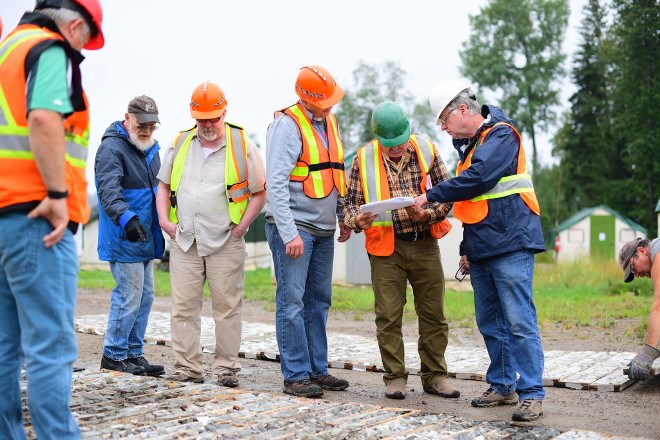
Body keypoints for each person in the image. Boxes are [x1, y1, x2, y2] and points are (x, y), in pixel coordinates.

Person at [413, 80, 546, 422]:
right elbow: (475, 205)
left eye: (443, 119)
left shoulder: (501, 135)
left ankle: (532, 394)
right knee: (490, 322)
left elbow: (481, 179)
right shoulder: (471, 147)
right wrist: (465, 247)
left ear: (461, 110)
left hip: (511, 242)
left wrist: (433, 194)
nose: (441, 127)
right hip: (483, 246)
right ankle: (503, 385)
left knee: (518, 320)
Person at [0, 0, 104, 438]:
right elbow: (43, 118)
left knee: (6, 347)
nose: (81, 48)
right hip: (39, 217)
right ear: (75, 25)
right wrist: (58, 195)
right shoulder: (50, 50)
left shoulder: (8, 50)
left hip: (6, 217)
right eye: (85, 39)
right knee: (51, 346)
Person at [343, 101, 459, 400]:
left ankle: (435, 376)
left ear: (407, 131)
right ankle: (395, 378)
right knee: (388, 316)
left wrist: (430, 214)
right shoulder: (361, 159)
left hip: (424, 244)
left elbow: (449, 193)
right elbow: (349, 207)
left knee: (433, 315)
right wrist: (357, 220)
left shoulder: (427, 150)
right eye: (389, 145)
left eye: (399, 143)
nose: (395, 149)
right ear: (377, 136)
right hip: (385, 250)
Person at [156, 81, 266, 387]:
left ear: (224, 112)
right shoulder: (180, 142)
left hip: (225, 240)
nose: (206, 125)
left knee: (227, 308)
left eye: (212, 119)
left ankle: (226, 369)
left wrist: (242, 226)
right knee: (183, 308)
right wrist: (165, 221)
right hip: (185, 239)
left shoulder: (242, 144)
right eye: (201, 119)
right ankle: (188, 368)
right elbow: (163, 185)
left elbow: (260, 191)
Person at [265, 65, 352, 398]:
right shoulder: (286, 126)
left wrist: (343, 216)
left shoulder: (329, 121)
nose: (331, 104)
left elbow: (335, 173)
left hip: (324, 228)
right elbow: (275, 183)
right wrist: (289, 234)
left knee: (319, 302)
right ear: (307, 97)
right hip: (295, 228)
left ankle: (318, 370)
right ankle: (296, 375)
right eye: (325, 99)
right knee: (292, 303)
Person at [95, 96, 166, 377]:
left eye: (152, 125)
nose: (147, 129)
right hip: (125, 237)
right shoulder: (111, 149)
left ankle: (133, 354)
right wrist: (128, 220)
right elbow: (109, 191)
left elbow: (159, 192)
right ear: (128, 118)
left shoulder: (150, 149)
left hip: (146, 238)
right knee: (128, 296)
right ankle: (113, 355)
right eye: (142, 123)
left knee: (145, 297)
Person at [619, 237, 660, 380]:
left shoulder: (657, 251)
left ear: (642, 251)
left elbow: (658, 306)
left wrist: (647, 355)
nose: (636, 275)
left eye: (633, 268)